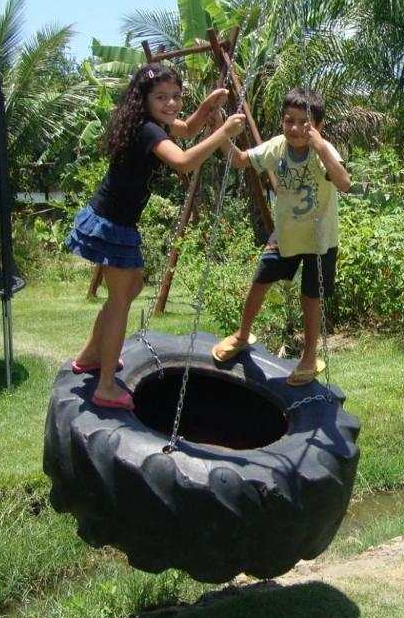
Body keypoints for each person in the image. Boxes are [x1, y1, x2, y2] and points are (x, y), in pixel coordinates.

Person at [67, 63, 245, 409]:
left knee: (130, 288)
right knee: (121, 298)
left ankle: (90, 355)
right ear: (143, 100)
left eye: (176, 96)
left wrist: (207, 107)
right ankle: (105, 386)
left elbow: (188, 127)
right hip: (111, 223)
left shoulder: (153, 124)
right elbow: (183, 162)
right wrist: (223, 133)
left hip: (115, 220)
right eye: (161, 97)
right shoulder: (148, 130)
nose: (171, 103)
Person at [212, 88, 350, 385]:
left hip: (319, 240)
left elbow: (344, 182)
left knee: (309, 298)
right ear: (282, 121)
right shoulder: (277, 147)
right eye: (290, 121)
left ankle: (309, 356)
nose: (296, 128)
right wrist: (219, 129)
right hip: (286, 234)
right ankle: (242, 334)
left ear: (319, 125)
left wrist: (322, 146)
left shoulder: (323, 151)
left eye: (305, 122)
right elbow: (237, 160)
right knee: (260, 280)